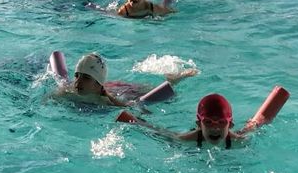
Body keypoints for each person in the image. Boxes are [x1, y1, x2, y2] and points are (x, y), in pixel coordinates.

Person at [55, 52, 197, 108]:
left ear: (98, 84)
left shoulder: (106, 100)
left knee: (145, 100)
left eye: (86, 78)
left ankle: (174, 80)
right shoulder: (67, 91)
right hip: (112, 86)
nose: (78, 82)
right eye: (77, 75)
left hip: (124, 91)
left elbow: (128, 108)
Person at [117, 94, 245, 149]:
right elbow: (157, 132)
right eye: (208, 122)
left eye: (221, 122)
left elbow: (251, 128)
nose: (215, 128)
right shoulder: (184, 139)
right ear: (199, 124)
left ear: (230, 125)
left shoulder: (240, 140)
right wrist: (129, 119)